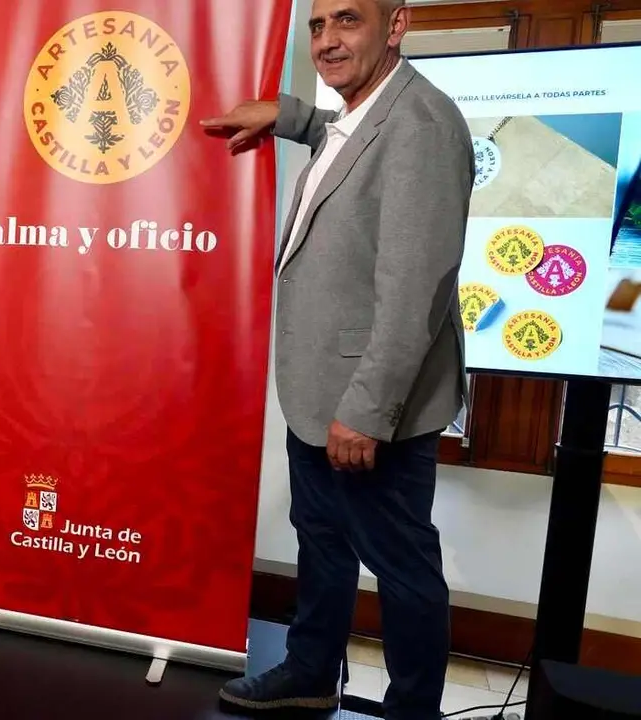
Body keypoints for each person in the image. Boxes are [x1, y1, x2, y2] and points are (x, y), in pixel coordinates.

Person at [201, 1, 471, 718]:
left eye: (348, 21)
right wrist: (287, 115)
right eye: (318, 26)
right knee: (321, 539)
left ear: (396, 25)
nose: (327, 41)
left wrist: (367, 411)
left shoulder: (424, 126)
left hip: (369, 406)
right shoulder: (363, 113)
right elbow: (341, 137)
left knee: (402, 568)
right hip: (319, 392)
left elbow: (416, 291)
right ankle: (312, 671)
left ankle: (414, 710)